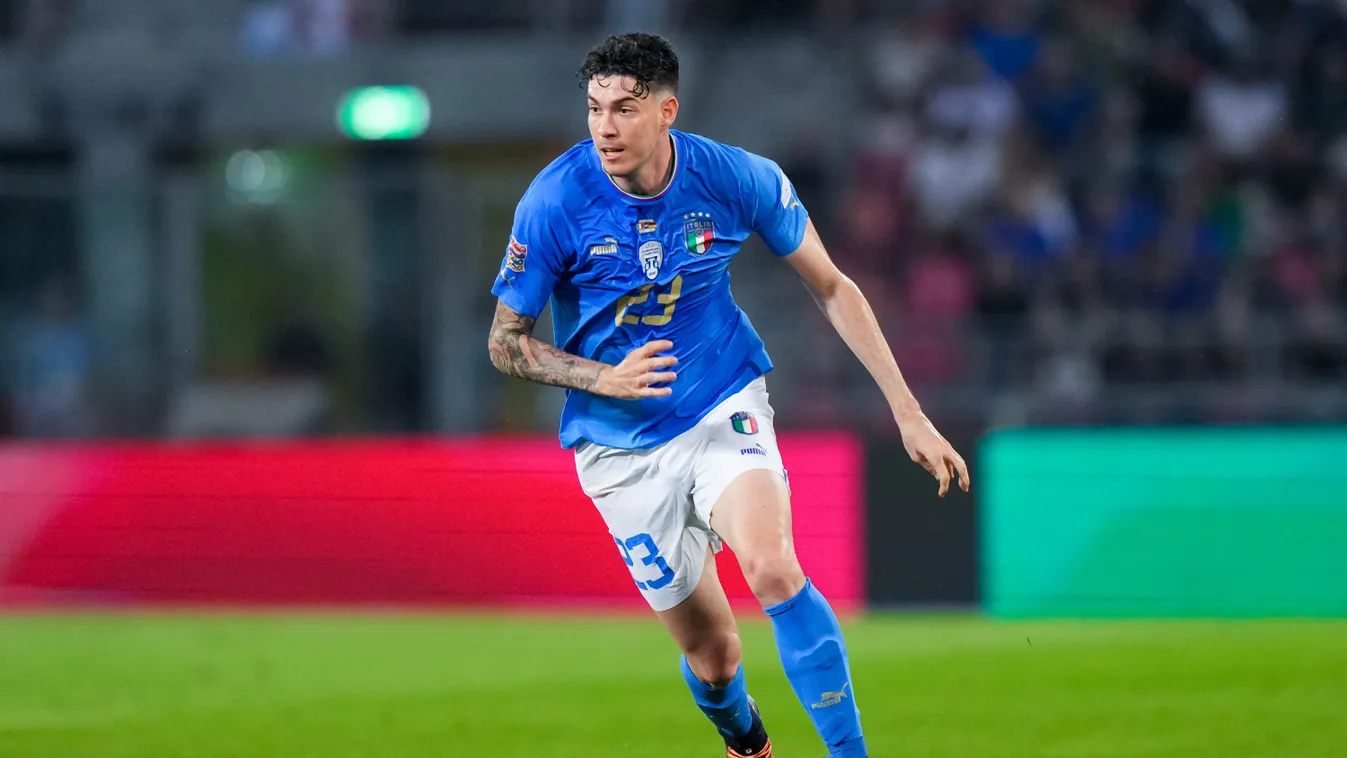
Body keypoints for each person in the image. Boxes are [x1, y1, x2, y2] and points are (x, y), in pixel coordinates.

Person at [487, 33, 970, 758]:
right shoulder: (554, 200)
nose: (605, 128)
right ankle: (745, 739)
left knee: (772, 567)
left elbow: (832, 286)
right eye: (594, 109)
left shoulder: (737, 178)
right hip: (616, 446)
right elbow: (504, 342)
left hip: (720, 400)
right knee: (714, 656)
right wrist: (601, 378)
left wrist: (910, 412)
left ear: (666, 111)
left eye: (623, 108)